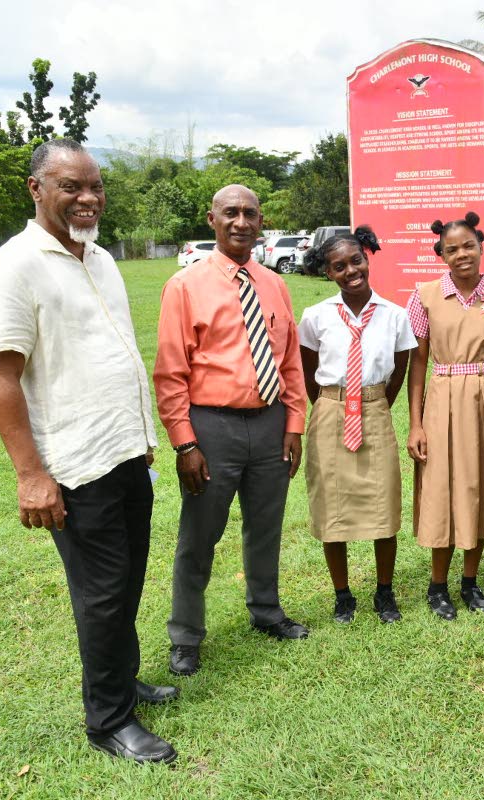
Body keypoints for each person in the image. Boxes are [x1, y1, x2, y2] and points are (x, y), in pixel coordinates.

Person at [0, 139, 177, 763]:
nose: (87, 197)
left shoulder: (100, 257)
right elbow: (0, 374)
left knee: (129, 580)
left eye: (95, 185)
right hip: (75, 465)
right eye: (70, 186)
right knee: (102, 592)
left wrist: (141, 436)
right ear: (36, 189)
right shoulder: (16, 266)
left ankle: (124, 681)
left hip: (123, 453)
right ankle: (109, 721)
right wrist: (31, 475)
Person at [154, 184, 310, 677]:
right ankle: (186, 636)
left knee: (265, 527)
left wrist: (294, 424)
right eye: (231, 213)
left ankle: (266, 612)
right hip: (211, 427)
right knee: (199, 536)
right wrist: (185, 442)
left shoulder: (274, 284)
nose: (241, 222)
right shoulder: (185, 286)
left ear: (260, 221)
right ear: (212, 220)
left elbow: (288, 363)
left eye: (250, 213)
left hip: (269, 425)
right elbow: (170, 372)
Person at [406, 211, 484, 620]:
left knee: (479, 484)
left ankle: (470, 582)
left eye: (468, 246)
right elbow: (417, 363)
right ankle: (438, 585)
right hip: (441, 398)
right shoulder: (424, 296)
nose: (461, 255)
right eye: (451, 249)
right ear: (441, 255)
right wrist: (416, 423)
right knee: (441, 487)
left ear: (481, 246)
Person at [297, 226, 416, 624]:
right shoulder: (315, 317)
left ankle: (385, 592)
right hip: (330, 413)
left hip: (375, 410)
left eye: (356, 261)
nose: (350, 270)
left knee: (383, 504)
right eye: (339, 266)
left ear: (368, 258)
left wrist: (374, 404)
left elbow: (400, 370)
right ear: (328, 273)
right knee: (332, 507)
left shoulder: (394, 315)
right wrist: (333, 407)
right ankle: (343, 595)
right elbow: (307, 367)